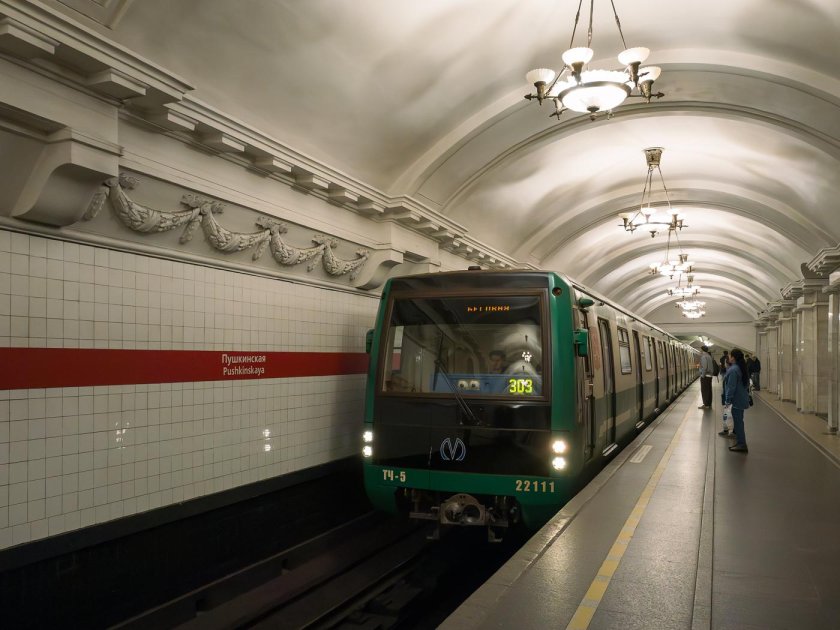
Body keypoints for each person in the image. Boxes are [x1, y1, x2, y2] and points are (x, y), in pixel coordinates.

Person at [722, 348, 751, 453]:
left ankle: (742, 444)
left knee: (738, 423)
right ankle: (740, 442)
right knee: (739, 422)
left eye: (730, 355)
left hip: (736, 400)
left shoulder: (733, 370)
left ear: (733, 357)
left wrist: (727, 400)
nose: (728, 357)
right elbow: (746, 384)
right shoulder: (740, 367)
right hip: (741, 399)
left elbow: (731, 387)